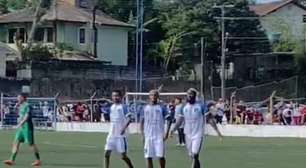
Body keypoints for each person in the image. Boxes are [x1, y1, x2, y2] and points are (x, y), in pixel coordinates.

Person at [170, 88, 223, 168]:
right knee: (192, 156)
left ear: (195, 96)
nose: (189, 96)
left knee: (195, 154)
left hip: (198, 134)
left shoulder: (201, 106)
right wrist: (172, 130)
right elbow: (180, 120)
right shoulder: (184, 107)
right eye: (188, 94)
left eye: (191, 94)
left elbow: (209, 119)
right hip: (187, 134)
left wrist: (218, 132)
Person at [3, 93, 41, 166]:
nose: (18, 99)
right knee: (16, 142)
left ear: (23, 98)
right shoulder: (20, 105)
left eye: (19, 98)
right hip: (21, 128)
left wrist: (20, 124)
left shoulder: (28, 106)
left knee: (31, 144)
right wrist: (16, 108)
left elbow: (26, 117)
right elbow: (20, 114)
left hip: (27, 127)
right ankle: (11, 160)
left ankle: (38, 160)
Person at [140, 90, 172, 168]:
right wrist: (142, 134)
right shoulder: (145, 108)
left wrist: (167, 133)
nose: (153, 97)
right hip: (148, 136)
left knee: (160, 156)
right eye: (152, 95)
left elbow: (169, 120)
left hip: (159, 136)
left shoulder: (162, 107)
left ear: (158, 97)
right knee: (148, 157)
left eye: (155, 95)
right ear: (149, 96)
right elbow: (141, 122)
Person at [104, 90, 134, 168]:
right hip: (111, 135)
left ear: (120, 97)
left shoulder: (123, 107)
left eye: (117, 96)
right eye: (114, 96)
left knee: (123, 156)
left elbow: (130, 118)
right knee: (106, 154)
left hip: (121, 136)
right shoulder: (112, 107)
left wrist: (124, 128)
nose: (115, 97)